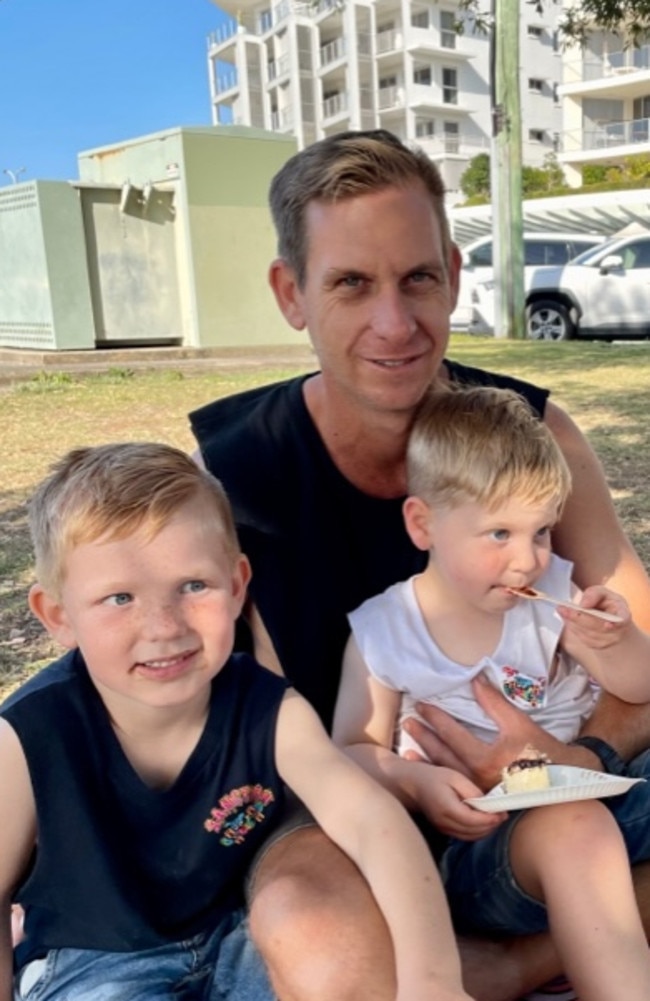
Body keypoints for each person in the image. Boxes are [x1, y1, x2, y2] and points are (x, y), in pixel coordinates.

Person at [189, 129, 650, 1001]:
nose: (395, 324)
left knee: (582, 827)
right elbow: (288, 744)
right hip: (355, 807)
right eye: (352, 283)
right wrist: (401, 781)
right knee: (308, 918)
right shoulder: (238, 480)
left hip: (560, 789)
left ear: (454, 272)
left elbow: (643, 657)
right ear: (291, 293)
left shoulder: (533, 439)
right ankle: (515, 960)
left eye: (418, 279)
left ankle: (519, 960)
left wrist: (568, 752)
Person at [0, 442, 476, 1001]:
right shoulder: (28, 736)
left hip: (236, 939)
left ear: (236, 585)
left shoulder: (268, 709)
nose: (163, 626)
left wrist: (433, 982)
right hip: (93, 962)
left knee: (343, 968)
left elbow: (375, 826)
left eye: (193, 586)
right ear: (59, 616)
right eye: (119, 598)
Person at [333, 383, 650, 1001]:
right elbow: (347, 750)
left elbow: (639, 687)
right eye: (499, 533)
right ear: (422, 523)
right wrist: (412, 780)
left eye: (542, 532)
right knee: (574, 825)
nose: (527, 561)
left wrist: (615, 641)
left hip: (609, 796)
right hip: (484, 854)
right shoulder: (383, 633)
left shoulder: (553, 596)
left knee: (583, 816)